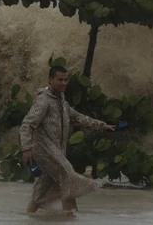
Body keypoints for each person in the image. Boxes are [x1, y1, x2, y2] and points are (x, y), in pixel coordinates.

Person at [19, 65, 115, 214]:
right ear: (50, 80)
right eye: (60, 80)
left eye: (65, 80)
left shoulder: (61, 101)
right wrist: (26, 148)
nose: (64, 83)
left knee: (41, 189)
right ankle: (71, 216)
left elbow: (77, 118)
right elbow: (27, 124)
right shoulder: (43, 101)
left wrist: (102, 125)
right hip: (44, 150)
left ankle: (28, 216)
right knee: (68, 178)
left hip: (57, 151)